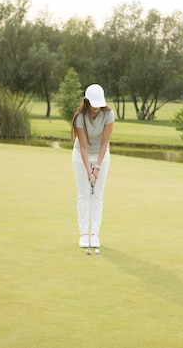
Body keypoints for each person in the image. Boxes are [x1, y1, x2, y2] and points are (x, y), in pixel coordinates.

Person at [71, 84, 114, 249]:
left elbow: (104, 143)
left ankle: (95, 234)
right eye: (94, 104)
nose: (97, 108)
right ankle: (83, 234)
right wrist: (88, 169)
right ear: (87, 101)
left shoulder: (108, 114)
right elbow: (83, 147)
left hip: (102, 155)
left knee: (97, 195)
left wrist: (97, 167)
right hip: (81, 156)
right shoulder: (79, 117)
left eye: (99, 104)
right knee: (83, 194)